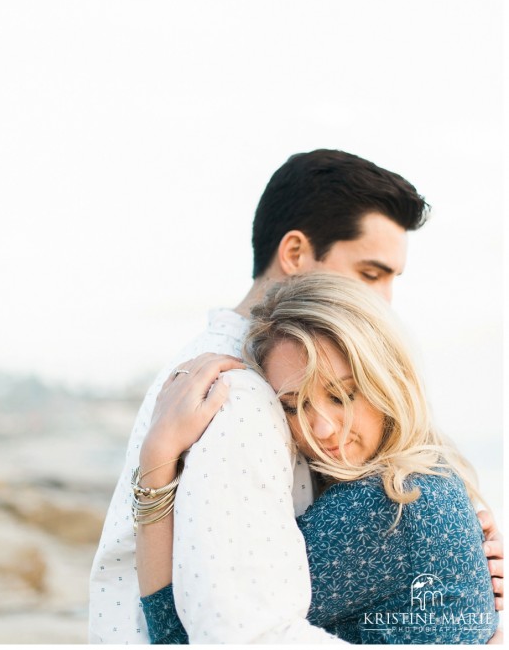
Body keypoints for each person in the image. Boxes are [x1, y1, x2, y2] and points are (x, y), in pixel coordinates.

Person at [89, 150, 503, 643]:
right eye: (371, 274)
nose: (385, 303)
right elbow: (235, 632)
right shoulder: (237, 393)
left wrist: (457, 571)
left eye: (342, 395)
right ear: (294, 253)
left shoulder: (397, 487)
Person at [137, 273, 499, 643]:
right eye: (293, 406)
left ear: (391, 380)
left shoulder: (388, 504)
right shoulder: (434, 479)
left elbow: (180, 638)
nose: (322, 429)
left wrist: (157, 457)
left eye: (342, 396)